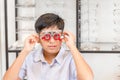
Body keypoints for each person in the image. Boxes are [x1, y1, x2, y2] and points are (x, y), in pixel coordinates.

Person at [3, 13, 94, 80]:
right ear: (38, 38)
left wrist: (72, 46)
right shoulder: (30, 58)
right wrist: (25, 51)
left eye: (56, 36)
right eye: (46, 36)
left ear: (62, 37)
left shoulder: (72, 57)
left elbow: (88, 79)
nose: (52, 41)